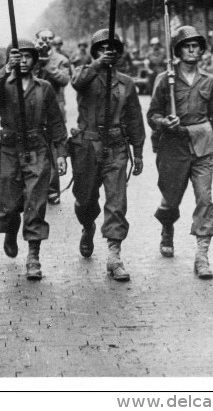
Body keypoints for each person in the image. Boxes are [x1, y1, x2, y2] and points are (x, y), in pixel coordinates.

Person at [0, 40, 68, 280]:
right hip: (9, 149)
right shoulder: (3, 84)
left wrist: (61, 153)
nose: (23, 62)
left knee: (35, 201)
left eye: (27, 57)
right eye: (17, 57)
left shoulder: (44, 88)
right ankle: (10, 230)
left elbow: (55, 122)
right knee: (8, 203)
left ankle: (33, 256)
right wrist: (5, 69)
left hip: (37, 148)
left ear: (35, 61)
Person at [69, 29, 145, 281]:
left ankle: (114, 256)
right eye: (101, 49)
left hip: (116, 146)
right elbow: (77, 83)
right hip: (87, 145)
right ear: (94, 53)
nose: (107, 54)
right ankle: (88, 225)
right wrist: (97, 65)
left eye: (111, 50)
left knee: (116, 201)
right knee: (85, 199)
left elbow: (134, 119)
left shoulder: (126, 83)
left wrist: (139, 151)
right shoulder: (84, 74)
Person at [147, 25, 213, 279]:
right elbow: (152, 113)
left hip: (201, 145)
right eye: (187, 45)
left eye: (197, 45)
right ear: (177, 50)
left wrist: (210, 144)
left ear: (201, 51)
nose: (192, 49)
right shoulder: (164, 79)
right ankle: (167, 226)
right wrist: (163, 122)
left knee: (204, 198)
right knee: (171, 197)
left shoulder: (208, 81)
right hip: (173, 146)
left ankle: (202, 256)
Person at [34, 28, 71, 204]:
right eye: (43, 38)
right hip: (34, 112)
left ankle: (52, 190)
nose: (46, 42)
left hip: (54, 110)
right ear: (37, 39)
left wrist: (47, 64)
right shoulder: (30, 57)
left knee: (55, 150)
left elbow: (64, 80)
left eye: (50, 38)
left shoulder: (61, 60)